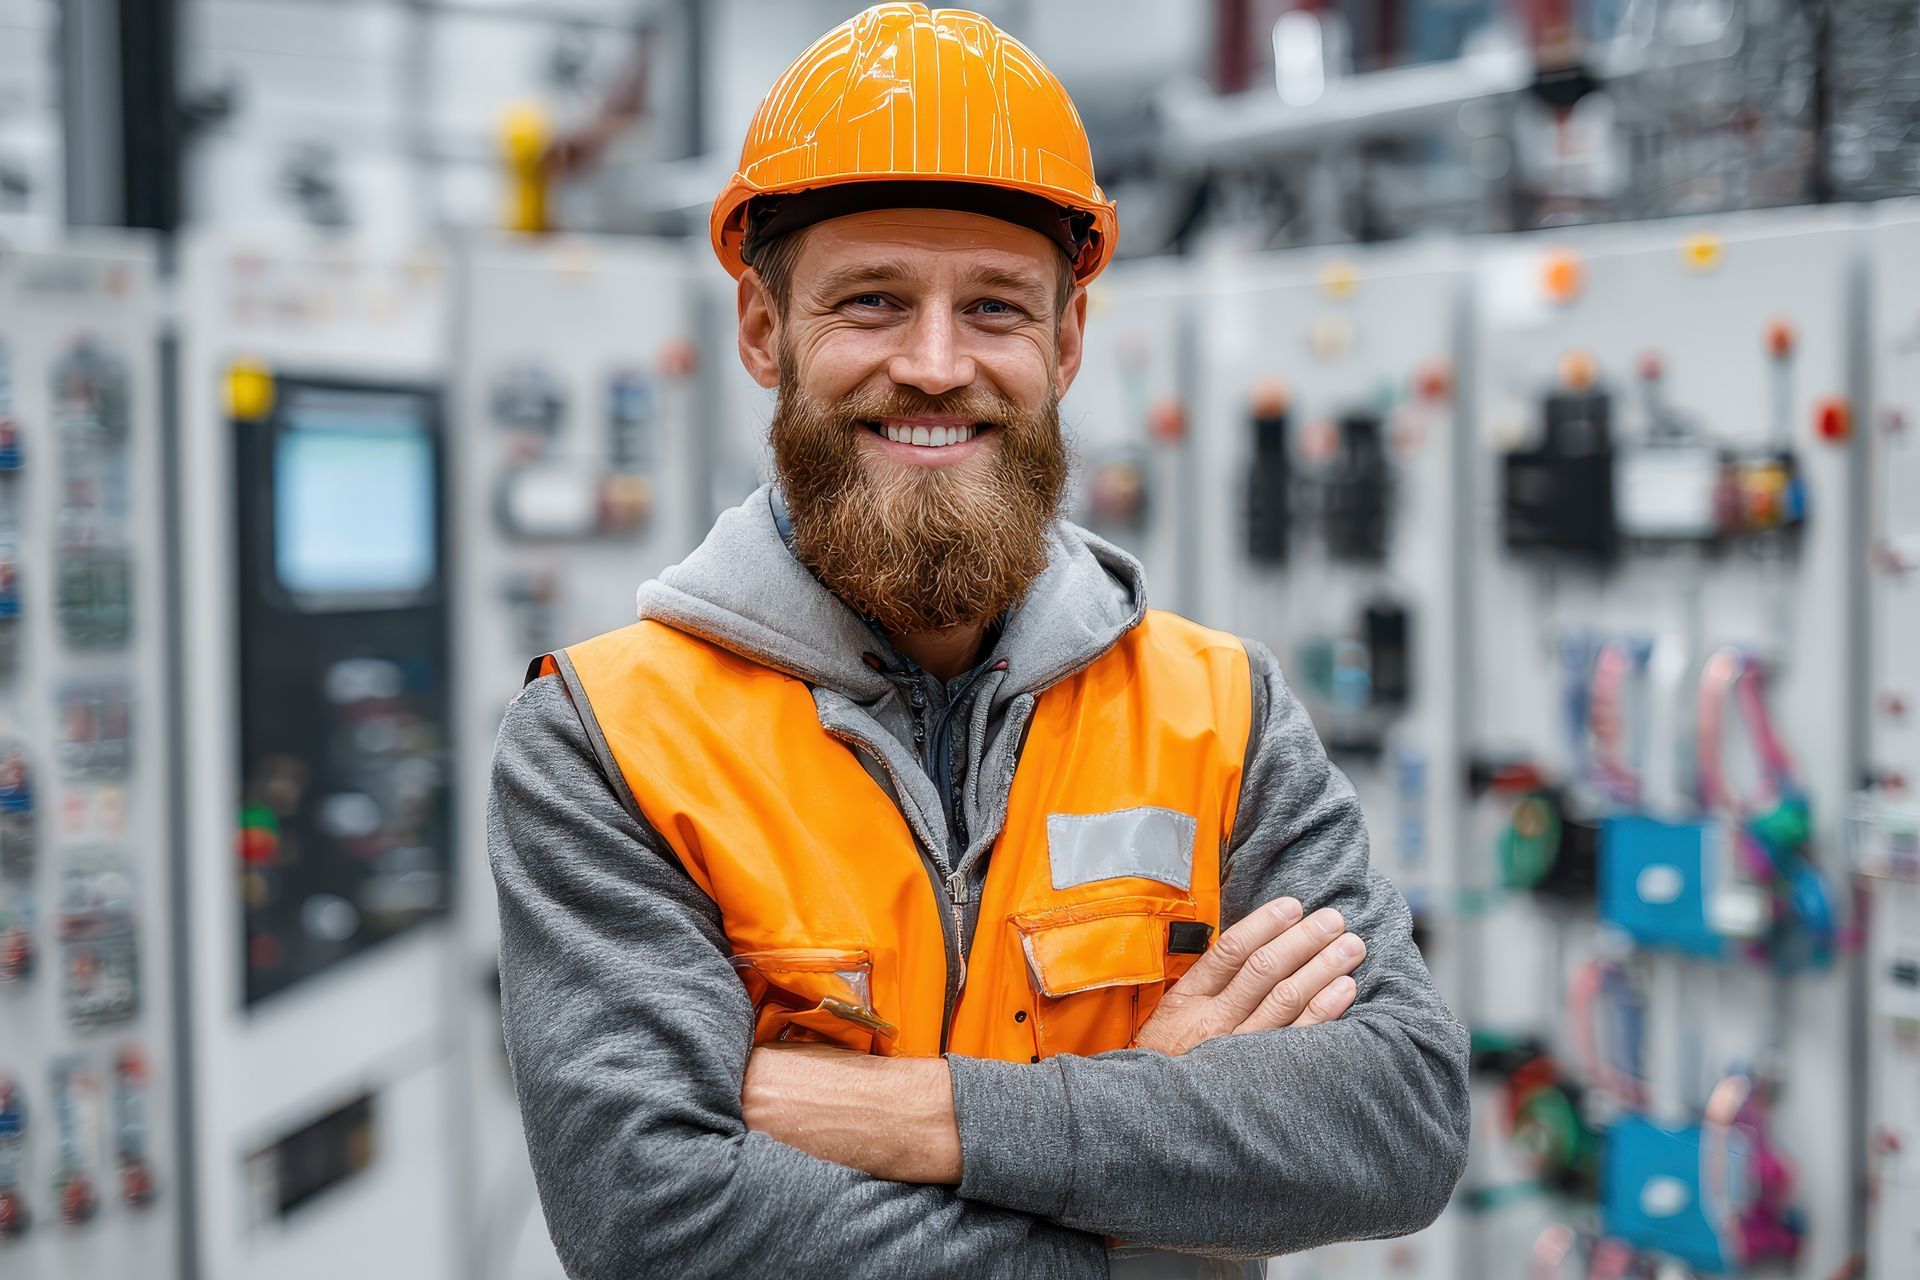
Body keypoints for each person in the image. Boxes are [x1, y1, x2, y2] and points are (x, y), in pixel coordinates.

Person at [487, 6, 1469, 1277]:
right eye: (874, 300)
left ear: (1065, 343)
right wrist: (1141, 1185)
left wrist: (915, 1116)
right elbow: (657, 1224)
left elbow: (1398, 1121)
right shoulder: (605, 739)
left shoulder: (1218, 712)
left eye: (996, 307)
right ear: (763, 332)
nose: (937, 363)